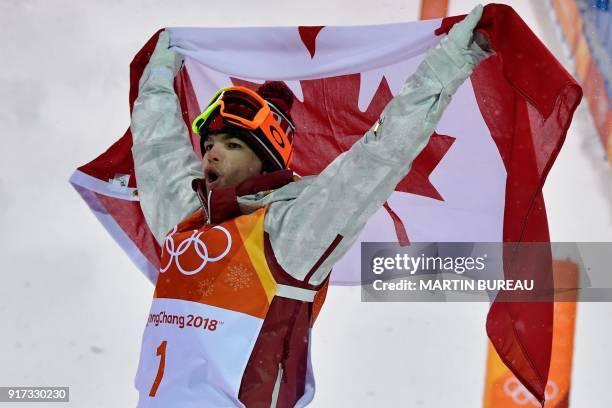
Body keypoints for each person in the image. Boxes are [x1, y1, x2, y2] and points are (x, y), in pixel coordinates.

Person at [131, 5, 492, 407]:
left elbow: (381, 154)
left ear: (263, 162)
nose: (212, 154)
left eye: (232, 146)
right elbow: (156, 146)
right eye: (211, 144)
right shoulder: (187, 220)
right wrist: (159, 75)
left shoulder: (289, 230)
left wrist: (451, 61)